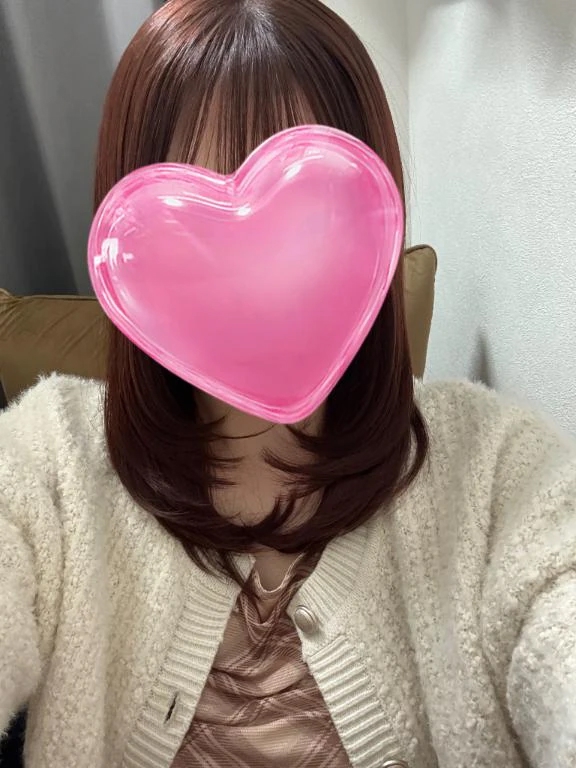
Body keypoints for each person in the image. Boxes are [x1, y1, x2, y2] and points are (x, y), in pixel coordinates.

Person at [1, 1, 575, 767]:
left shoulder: (494, 468)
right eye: (189, 225)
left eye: (307, 216)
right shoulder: (49, 461)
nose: (255, 274)